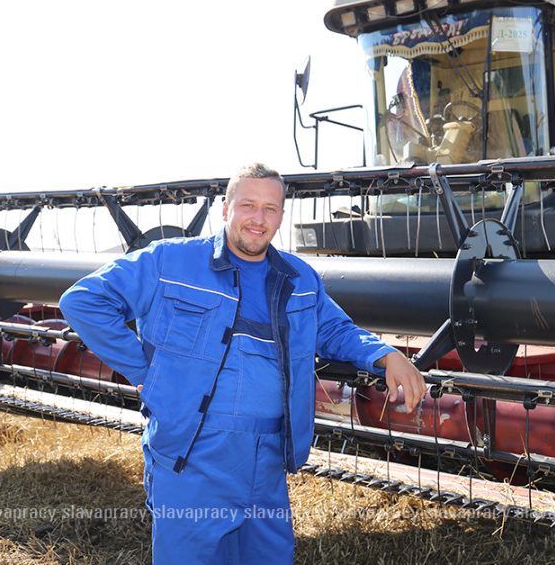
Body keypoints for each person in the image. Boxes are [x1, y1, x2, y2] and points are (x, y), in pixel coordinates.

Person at [59, 163, 426, 564]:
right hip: (193, 453)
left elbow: (336, 329)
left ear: (282, 216)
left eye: (270, 208)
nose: (258, 218)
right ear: (225, 209)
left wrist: (387, 355)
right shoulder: (169, 262)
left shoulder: (300, 278)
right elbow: (83, 301)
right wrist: (146, 373)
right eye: (248, 205)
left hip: (268, 456)